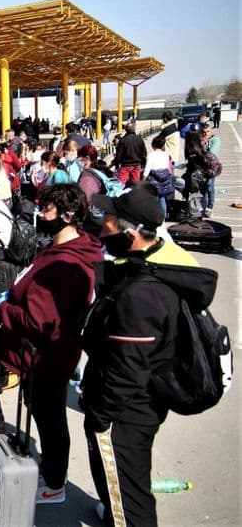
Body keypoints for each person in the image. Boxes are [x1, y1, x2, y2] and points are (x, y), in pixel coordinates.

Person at [82, 188, 210, 526]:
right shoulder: (150, 263)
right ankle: (114, 509)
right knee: (128, 483)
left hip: (125, 412)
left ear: (130, 235)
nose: (102, 230)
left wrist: (101, 415)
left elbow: (128, 368)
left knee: (129, 496)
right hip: (138, 403)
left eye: (107, 224)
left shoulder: (142, 294)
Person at [0, 183, 103, 506]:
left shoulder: (65, 264)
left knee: (50, 417)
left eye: (48, 209)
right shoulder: (62, 249)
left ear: (67, 215)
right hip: (44, 355)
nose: (41, 213)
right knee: (45, 413)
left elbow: (39, 322)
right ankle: (52, 472)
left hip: (46, 357)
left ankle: (54, 482)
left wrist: (4, 309)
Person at [143, 135, 175, 217]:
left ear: (153, 145)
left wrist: (143, 180)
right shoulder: (166, 155)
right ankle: (163, 217)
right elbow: (169, 168)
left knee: (153, 200)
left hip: (154, 180)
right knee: (162, 199)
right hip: (165, 179)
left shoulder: (151, 155)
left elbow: (147, 169)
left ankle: (153, 216)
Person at [201, 123, 221, 218]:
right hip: (201, 168)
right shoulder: (200, 139)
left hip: (211, 168)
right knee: (203, 188)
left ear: (211, 131)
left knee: (210, 188)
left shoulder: (215, 140)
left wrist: (203, 144)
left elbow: (211, 154)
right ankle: (204, 207)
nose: (206, 134)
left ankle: (209, 207)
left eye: (208, 132)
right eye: (204, 132)